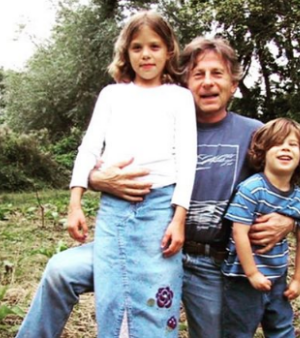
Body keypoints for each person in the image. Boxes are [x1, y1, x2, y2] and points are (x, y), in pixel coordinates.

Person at [16, 36, 294, 338]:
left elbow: (284, 184)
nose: (207, 83)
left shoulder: (254, 133)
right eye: (198, 74)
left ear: (234, 84)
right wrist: (97, 179)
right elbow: (99, 156)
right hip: (145, 244)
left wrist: (288, 219)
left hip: (207, 262)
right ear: (183, 81)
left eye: (217, 74)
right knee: (61, 271)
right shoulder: (156, 119)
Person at [67, 10, 196, 337]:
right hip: (114, 210)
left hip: (160, 209)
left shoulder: (179, 98)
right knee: (114, 294)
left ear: (168, 50)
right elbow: (89, 148)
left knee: (157, 296)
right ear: (126, 53)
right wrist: (76, 202)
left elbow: (187, 160)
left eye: (154, 46)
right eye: (137, 47)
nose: (146, 55)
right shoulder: (112, 95)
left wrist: (178, 218)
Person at [220, 118, 300, 338]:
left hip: (278, 278)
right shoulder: (251, 189)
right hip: (242, 280)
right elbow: (239, 231)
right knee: (238, 332)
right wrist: (252, 273)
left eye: (292, 144)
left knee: (282, 330)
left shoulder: (299, 198)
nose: (285, 148)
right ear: (262, 153)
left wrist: (298, 279)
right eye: (277, 143)